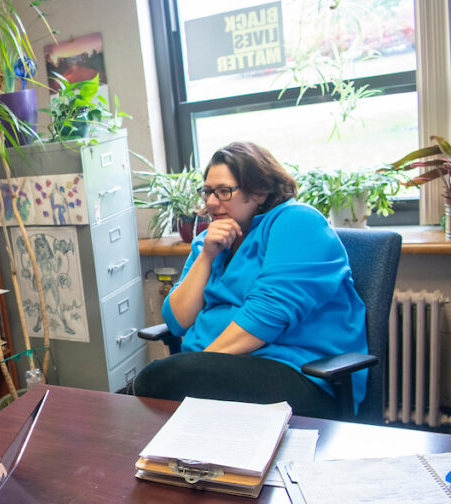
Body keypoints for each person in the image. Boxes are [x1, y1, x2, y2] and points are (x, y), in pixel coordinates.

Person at [132, 142, 367, 419]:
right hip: (214, 370)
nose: (210, 202)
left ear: (260, 191)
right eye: (207, 191)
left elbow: (264, 318)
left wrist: (194, 367)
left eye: (224, 191)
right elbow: (176, 320)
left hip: (297, 373)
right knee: (155, 389)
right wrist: (207, 256)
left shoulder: (297, 222)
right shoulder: (209, 240)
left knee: (156, 381)